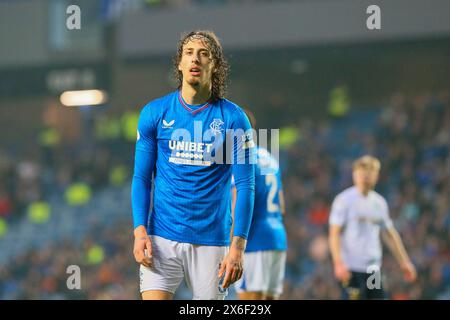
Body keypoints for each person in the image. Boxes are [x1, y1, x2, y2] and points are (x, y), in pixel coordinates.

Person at [131, 30, 256, 300]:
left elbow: (245, 186)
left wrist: (238, 247)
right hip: (162, 237)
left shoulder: (234, 119)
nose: (195, 59)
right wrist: (139, 229)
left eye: (204, 54)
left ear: (215, 65)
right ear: (180, 63)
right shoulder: (154, 113)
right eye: (189, 53)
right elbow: (142, 178)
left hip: (211, 241)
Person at [328, 155, 417, 300]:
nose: (365, 177)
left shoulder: (379, 203)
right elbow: (334, 233)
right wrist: (338, 263)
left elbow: (389, 234)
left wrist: (404, 261)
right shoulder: (344, 201)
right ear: (354, 175)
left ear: (376, 176)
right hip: (351, 268)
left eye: (370, 173)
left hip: (373, 268)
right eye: (362, 173)